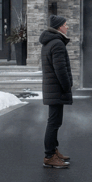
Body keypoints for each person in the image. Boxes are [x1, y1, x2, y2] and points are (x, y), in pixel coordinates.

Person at [40, 14, 73, 169]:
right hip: (57, 89)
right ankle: (49, 156)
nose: (67, 27)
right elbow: (60, 69)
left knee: (55, 121)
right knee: (53, 122)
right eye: (65, 24)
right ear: (60, 27)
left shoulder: (50, 42)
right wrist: (67, 87)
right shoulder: (57, 44)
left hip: (52, 88)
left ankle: (53, 151)